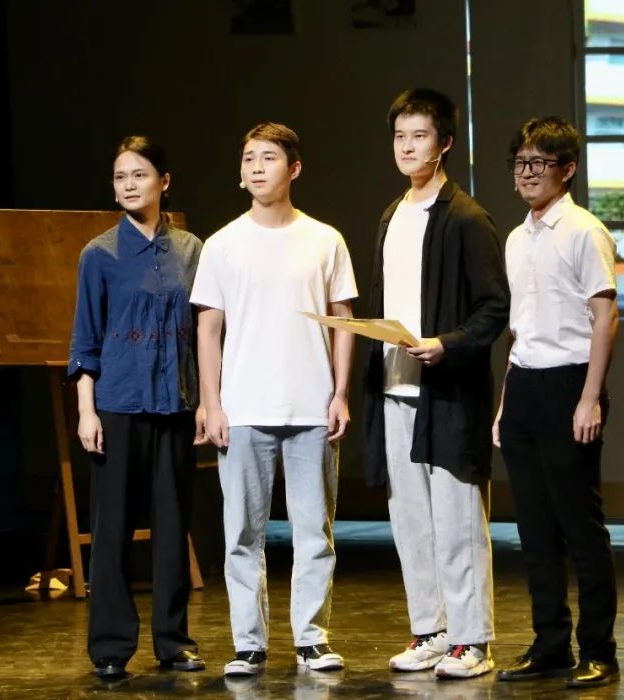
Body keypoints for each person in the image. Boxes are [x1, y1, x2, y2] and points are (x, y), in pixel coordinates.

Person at [191, 122, 357, 677]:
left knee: (315, 532)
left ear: (295, 168)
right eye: (248, 159)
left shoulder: (325, 239)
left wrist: (340, 393)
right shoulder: (222, 244)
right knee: (242, 533)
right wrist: (212, 403)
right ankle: (248, 644)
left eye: (268, 157)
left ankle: (312, 639)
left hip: (311, 406)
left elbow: (343, 321)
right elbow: (208, 329)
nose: (257, 167)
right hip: (243, 408)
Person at [361, 88, 510, 679]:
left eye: (419, 136)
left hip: (447, 394)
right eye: (400, 136)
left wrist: (446, 343)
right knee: (410, 522)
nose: (406, 147)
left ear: (444, 143)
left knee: (457, 522)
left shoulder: (467, 218)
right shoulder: (390, 215)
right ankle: (431, 629)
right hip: (394, 389)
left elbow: (494, 309)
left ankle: (471, 639)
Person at [68, 135, 206, 679]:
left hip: (175, 405)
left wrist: (205, 400)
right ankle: (109, 645)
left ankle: (174, 642)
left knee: (172, 527)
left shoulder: (191, 250)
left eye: (139, 174)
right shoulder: (99, 254)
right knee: (113, 530)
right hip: (118, 407)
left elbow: (205, 334)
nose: (128, 184)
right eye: (120, 176)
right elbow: (84, 341)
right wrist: (86, 410)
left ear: (163, 182)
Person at [493, 116, 621, 689]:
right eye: (520, 163)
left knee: (579, 525)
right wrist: (505, 402)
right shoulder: (516, 238)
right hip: (524, 384)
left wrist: (590, 398)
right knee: (534, 527)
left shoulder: (584, 231)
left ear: (566, 170)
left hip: (570, 384)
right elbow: (520, 330)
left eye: (539, 163)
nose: (526, 173)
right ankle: (550, 644)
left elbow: (606, 317)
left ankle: (599, 649)